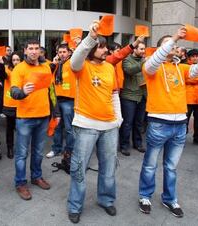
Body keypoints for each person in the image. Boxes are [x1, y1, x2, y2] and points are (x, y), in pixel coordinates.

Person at [138, 27, 198, 218]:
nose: (174, 47)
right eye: (169, 45)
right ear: (160, 48)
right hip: (158, 123)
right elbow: (155, 61)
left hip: (180, 124)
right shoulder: (149, 65)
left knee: (171, 167)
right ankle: (144, 196)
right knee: (150, 165)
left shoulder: (182, 68)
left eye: (175, 45)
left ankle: (169, 199)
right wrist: (172, 38)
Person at [67, 21, 123, 224]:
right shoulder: (81, 66)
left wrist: (118, 119)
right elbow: (75, 60)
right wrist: (90, 37)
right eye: (100, 46)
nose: (105, 50)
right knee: (79, 168)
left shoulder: (109, 67)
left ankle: (106, 200)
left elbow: (114, 93)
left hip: (109, 127)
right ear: (92, 48)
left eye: (105, 46)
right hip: (86, 125)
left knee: (109, 168)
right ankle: (75, 206)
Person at [10, 39, 53, 200]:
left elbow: (51, 91)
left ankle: (36, 177)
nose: (34, 51)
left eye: (36, 48)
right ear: (25, 51)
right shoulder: (19, 68)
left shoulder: (46, 66)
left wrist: (55, 113)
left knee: (38, 151)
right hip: (25, 118)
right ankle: (20, 183)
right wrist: (22, 92)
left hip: (43, 116)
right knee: (21, 153)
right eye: (31, 49)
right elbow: (14, 92)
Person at [46, 44, 74, 159]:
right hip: (56, 100)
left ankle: (69, 150)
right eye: (59, 52)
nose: (61, 54)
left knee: (69, 128)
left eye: (64, 52)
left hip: (69, 100)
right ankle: (56, 149)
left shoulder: (72, 63)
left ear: (69, 53)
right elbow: (48, 79)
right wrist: (53, 64)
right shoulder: (56, 65)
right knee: (57, 127)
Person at [119, 40, 147, 156]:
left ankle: (138, 143)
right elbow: (130, 70)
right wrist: (144, 63)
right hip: (129, 96)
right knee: (127, 123)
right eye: (141, 49)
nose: (143, 51)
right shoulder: (126, 60)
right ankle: (124, 145)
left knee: (139, 122)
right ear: (134, 49)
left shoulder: (144, 60)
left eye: (144, 49)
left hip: (142, 95)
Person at [0, 51, 23, 159]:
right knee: (10, 128)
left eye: (18, 60)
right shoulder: (7, 69)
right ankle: (10, 148)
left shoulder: (24, 70)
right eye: (14, 60)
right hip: (10, 104)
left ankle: (21, 148)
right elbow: (2, 74)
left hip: (22, 104)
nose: (16, 62)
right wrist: (0, 64)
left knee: (22, 129)